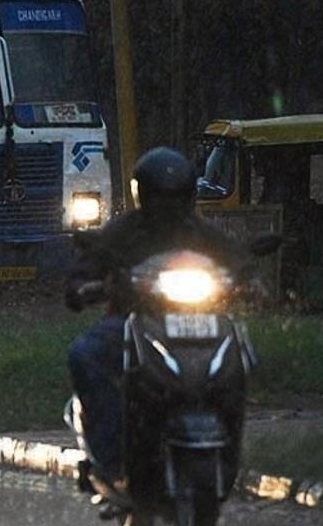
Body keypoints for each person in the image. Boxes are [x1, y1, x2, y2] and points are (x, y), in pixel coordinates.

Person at [63, 146, 252, 504]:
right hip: (132, 322)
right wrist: (84, 285)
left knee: (240, 357)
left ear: (188, 196)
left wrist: (251, 279)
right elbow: (88, 263)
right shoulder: (123, 230)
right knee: (85, 354)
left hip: (199, 323)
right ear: (143, 195)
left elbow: (237, 259)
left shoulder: (202, 232)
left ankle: (229, 450)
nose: (167, 205)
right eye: (159, 196)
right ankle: (111, 459)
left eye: (175, 197)